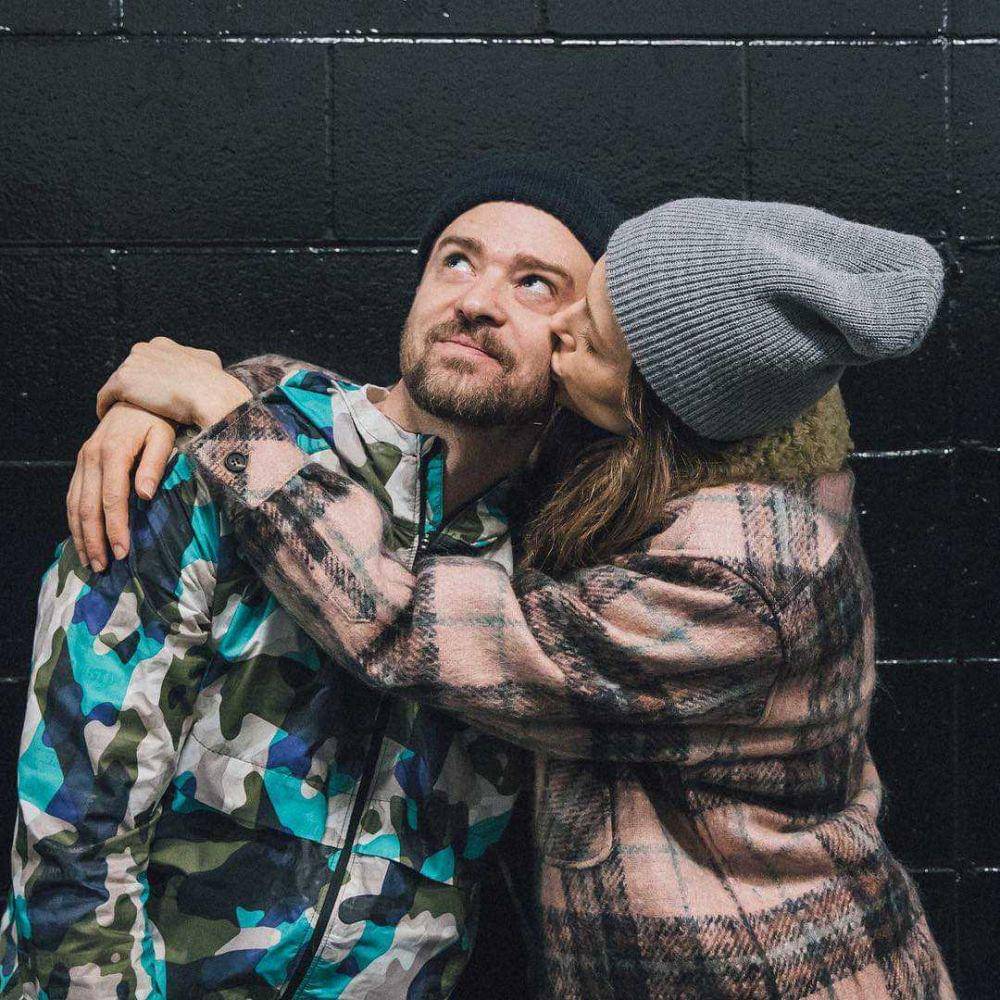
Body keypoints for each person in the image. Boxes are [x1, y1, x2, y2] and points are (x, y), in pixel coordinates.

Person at [74, 197, 956, 998]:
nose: (528, 318)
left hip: (774, 977)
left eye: (568, 312)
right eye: (457, 261)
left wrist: (228, 417)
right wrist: (184, 395)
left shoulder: (738, 575)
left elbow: (406, 626)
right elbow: (80, 814)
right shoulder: (645, 474)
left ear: (653, 400)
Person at [0, 156, 623, 998]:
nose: (477, 301)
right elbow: (75, 827)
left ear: (582, 342)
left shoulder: (556, 565)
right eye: (456, 260)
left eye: (535, 283)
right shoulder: (211, 458)